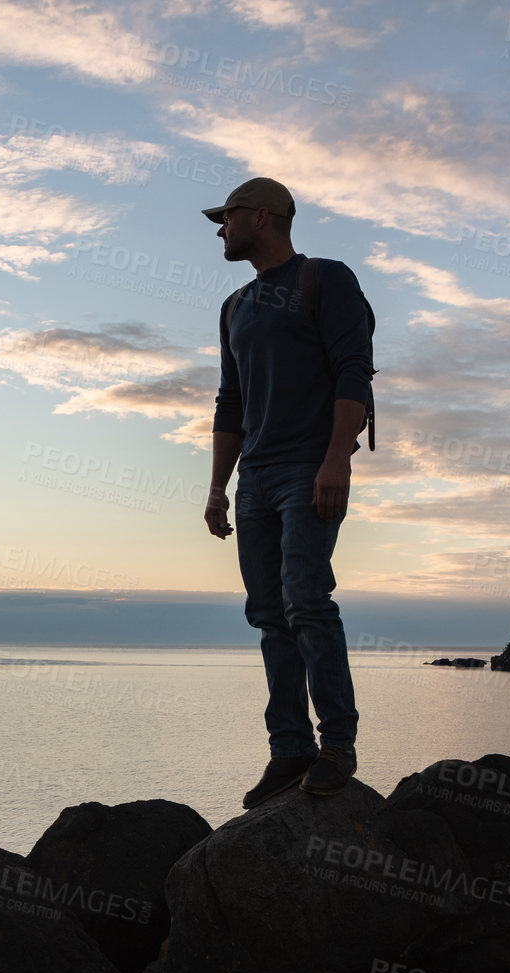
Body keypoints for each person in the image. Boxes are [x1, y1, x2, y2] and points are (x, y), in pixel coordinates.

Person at [200, 177, 374, 807]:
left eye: (229, 217)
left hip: (309, 468)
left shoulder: (325, 279)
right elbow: (231, 402)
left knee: (305, 599)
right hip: (256, 482)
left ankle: (337, 746)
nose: (221, 229)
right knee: (270, 615)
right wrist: (219, 487)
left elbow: (355, 368)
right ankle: (289, 749)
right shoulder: (235, 306)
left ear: (264, 218)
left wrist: (336, 459)